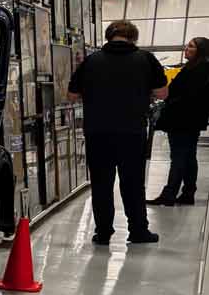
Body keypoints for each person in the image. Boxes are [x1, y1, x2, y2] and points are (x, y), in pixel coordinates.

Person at [67, 19, 168, 245]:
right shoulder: (146, 59)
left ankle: (103, 232)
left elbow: (71, 95)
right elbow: (162, 93)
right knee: (132, 183)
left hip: (97, 132)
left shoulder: (91, 61)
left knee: (101, 183)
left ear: (108, 36)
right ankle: (138, 230)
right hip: (132, 132)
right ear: (133, 37)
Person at [147, 37, 209, 206]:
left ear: (200, 50)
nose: (186, 48)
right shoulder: (197, 68)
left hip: (182, 120)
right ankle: (188, 192)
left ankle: (169, 194)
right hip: (190, 120)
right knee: (188, 156)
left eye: (191, 46)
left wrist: (169, 100)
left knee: (179, 156)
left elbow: (187, 95)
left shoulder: (198, 70)